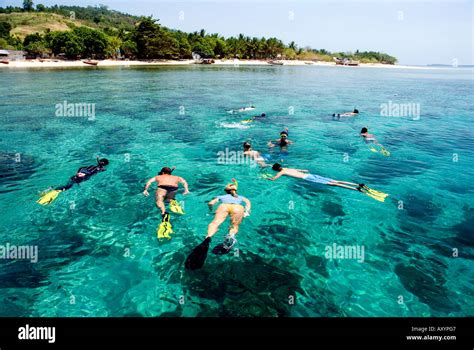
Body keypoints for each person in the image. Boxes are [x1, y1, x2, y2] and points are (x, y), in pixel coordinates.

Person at [185, 179, 251, 270]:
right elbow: (248, 203)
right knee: (234, 225)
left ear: (225, 191)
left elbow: (210, 203)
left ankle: (207, 238)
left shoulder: (221, 196)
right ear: (235, 190)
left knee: (214, 223)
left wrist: (210, 210)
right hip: (238, 208)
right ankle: (230, 237)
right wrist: (247, 211)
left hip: (223, 206)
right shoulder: (241, 197)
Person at [268, 163, 388, 201]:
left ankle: (357, 189)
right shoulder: (288, 168)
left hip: (307, 178)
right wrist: (304, 170)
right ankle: (358, 184)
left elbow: (274, 179)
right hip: (309, 174)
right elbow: (302, 170)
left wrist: (268, 178)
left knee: (333, 184)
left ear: (276, 170)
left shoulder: (282, 172)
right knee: (334, 180)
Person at [36, 157, 109, 205]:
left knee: (66, 184)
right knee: (67, 187)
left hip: (76, 175)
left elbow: (82, 168)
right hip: (80, 178)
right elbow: (94, 171)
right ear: (104, 165)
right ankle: (55, 191)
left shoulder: (92, 165)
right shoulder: (99, 169)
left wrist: (79, 173)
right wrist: (84, 175)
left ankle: (48, 189)